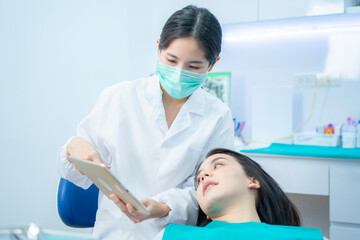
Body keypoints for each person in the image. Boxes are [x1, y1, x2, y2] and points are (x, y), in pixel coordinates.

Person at [57, 5, 234, 240]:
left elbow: (213, 191)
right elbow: (74, 172)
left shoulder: (218, 116)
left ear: (212, 64)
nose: (179, 73)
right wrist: (73, 148)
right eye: (171, 60)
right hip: (116, 232)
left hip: (174, 232)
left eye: (193, 67)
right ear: (158, 47)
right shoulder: (118, 97)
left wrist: (164, 207)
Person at [161, 148, 324, 239]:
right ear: (206, 213)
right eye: (198, 180)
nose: (203, 176)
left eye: (217, 166)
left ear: (252, 181)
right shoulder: (170, 236)